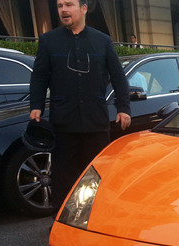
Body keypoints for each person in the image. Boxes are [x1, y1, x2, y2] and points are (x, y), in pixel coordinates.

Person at [29, 0, 131, 218]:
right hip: (64, 123)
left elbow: (118, 76)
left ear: (83, 9)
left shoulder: (102, 41)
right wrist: (36, 105)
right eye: (59, 6)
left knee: (95, 176)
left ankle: (95, 219)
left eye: (69, 4)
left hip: (95, 122)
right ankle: (62, 222)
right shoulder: (49, 41)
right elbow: (39, 76)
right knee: (64, 178)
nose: (63, 10)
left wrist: (123, 108)